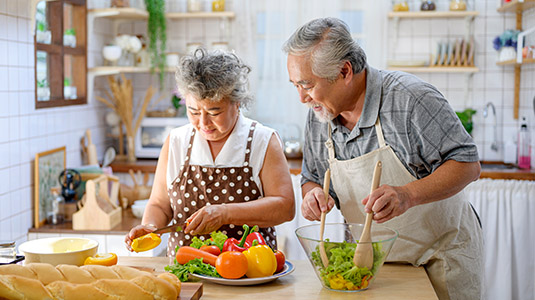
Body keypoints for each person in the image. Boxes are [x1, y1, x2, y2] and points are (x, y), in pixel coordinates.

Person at [283, 17, 483, 300]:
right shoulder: (320, 114)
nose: (303, 98)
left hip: (438, 261)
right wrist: (313, 194)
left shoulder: (410, 98)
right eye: (296, 86)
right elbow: (312, 177)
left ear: (344, 71)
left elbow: (467, 165)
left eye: (307, 85)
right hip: (370, 267)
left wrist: (407, 195)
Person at [125, 48, 295, 257]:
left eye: (215, 112)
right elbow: (160, 204)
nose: (203, 123)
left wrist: (225, 213)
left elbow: (285, 206)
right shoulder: (176, 141)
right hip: (187, 270)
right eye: (194, 111)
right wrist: (150, 226)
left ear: (237, 102)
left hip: (250, 272)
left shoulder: (262, 140)